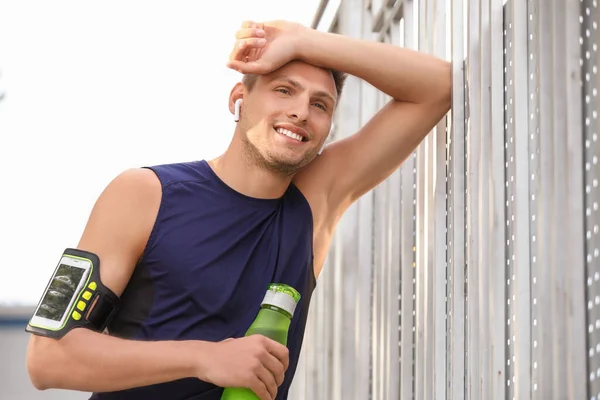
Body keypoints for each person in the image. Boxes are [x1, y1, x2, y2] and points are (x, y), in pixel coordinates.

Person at [25, 19, 451, 400]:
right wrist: (204, 358)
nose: (301, 111)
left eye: (320, 105)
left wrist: (305, 40)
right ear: (238, 99)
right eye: (284, 90)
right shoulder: (143, 193)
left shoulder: (315, 203)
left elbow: (436, 87)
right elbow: (48, 358)